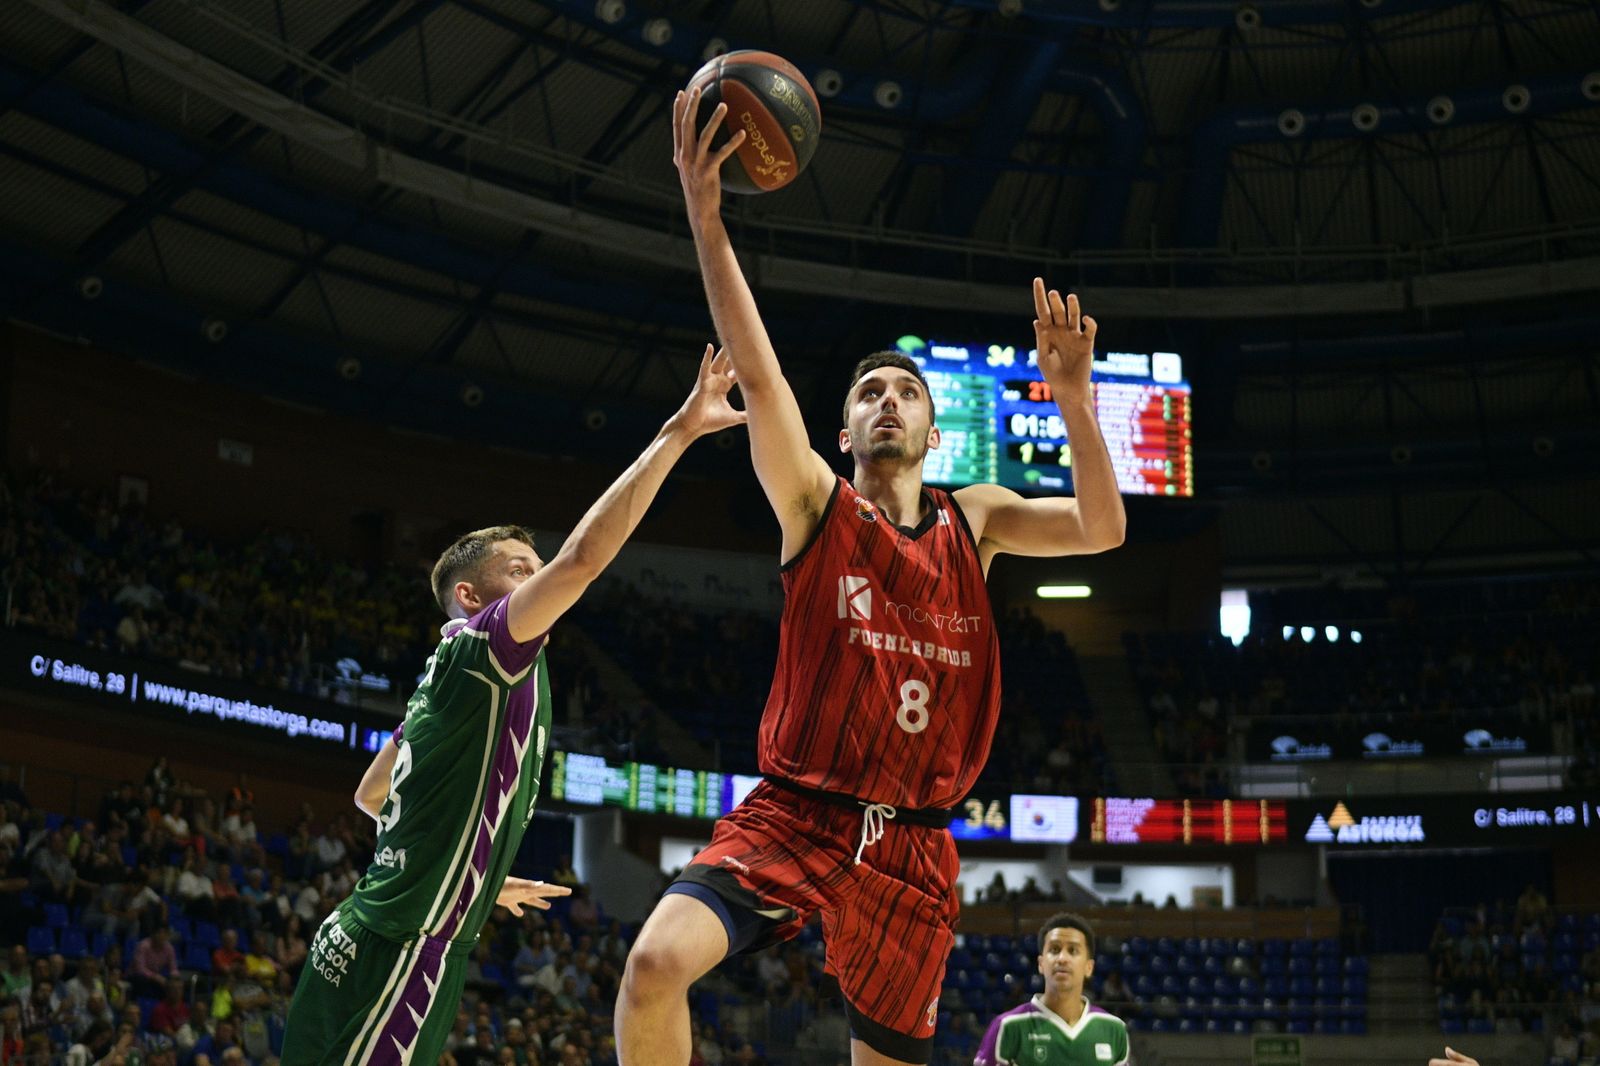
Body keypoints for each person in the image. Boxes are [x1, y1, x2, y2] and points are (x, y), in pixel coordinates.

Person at [616, 89, 1125, 1066]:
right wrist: (707, 220)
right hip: (797, 812)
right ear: (843, 429)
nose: (886, 401)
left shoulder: (972, 519)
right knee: (653, 963)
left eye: (906, 393)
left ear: (934, 431)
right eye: (867, 392)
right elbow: (761, 380)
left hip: (916, 852)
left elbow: (1102, 530)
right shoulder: (815, 503)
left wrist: (1073, 402)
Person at [279, 344, 746, 1065]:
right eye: (520, 569)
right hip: (406, 944)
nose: (538, 579)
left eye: (536, 568)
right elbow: (584, 560)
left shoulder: (449, 674)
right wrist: (679, 431)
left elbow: (372, 792)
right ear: (472, 595)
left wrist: (475, 877)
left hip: (363, 930)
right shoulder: (486, 647)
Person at [974, 913, 1126, 1066]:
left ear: (1089, 967)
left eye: (1073, 950)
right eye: (1054, 949)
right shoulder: (1007, 1027)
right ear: (1041, 963)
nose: (1062, 958)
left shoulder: (1114, 1029)